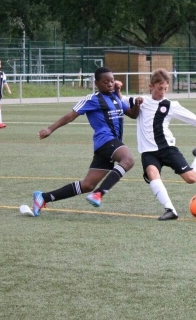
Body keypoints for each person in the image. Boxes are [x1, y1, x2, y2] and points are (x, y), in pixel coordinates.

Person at [30, 67, 140, 216]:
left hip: (110, 145)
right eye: (106, 81)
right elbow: (70, 115)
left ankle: (43, 197)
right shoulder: (92, 99)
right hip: (105, 140)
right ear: (96, 83)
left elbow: (132, 114)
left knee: (88, 185)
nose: (110, 84)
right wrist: (50, 129)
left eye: (112, 81)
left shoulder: (116, 97)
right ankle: (99, 193)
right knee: (128, 160)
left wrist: (137, 104)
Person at [135, 68, 196, 220]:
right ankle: (170, 210)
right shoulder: (141, 101)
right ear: (151, 86)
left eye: (165, 89)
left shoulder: (170, 105)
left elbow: (194, 119)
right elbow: (121, 101)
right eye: (159, 88)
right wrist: (118, 89)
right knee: (152, 173)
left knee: (192, 178)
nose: (163, 92)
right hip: (148, 151)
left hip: (167, 148)